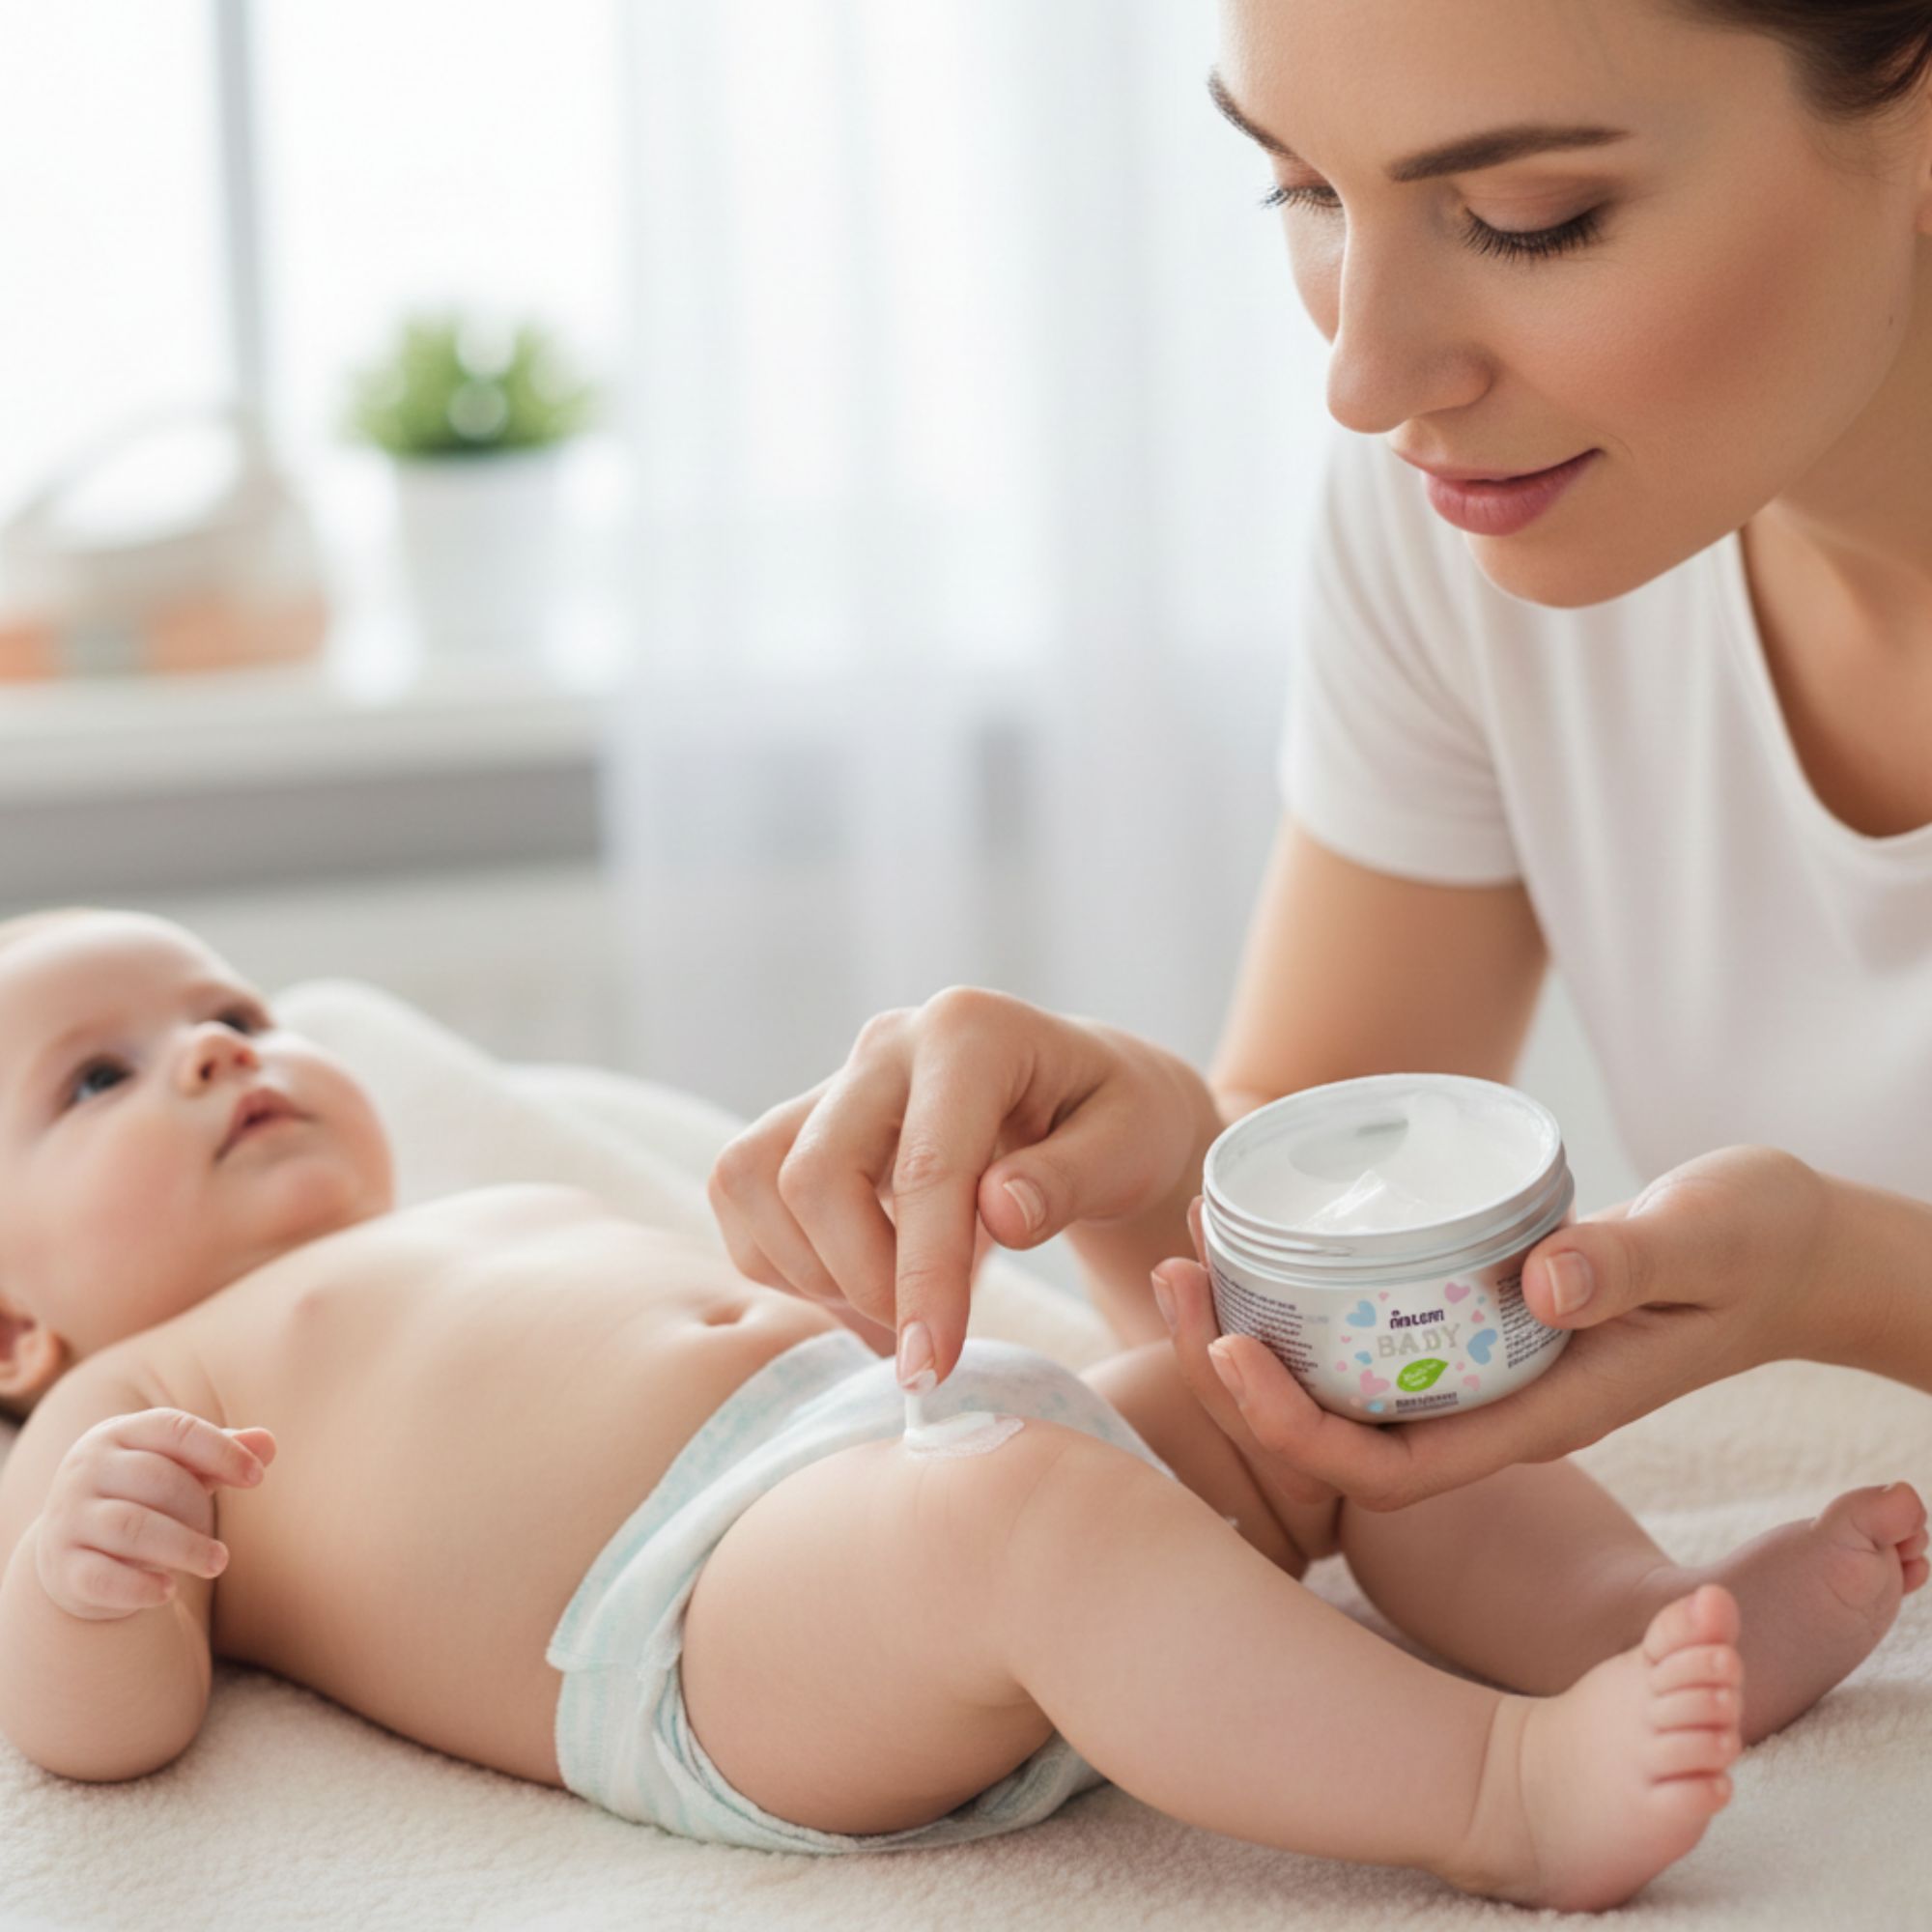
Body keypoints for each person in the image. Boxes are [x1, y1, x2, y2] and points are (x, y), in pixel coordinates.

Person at [0, 909, 1925, 1913]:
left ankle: (1622, 1627)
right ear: (8, 1325)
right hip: (703, 1622)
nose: (214, 1049)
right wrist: (92, 1581)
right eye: (95, 1080)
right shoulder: (112, 1398)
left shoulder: (461, 1209)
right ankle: (1504, 1798)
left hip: (906, 1443)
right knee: (1018, 1521)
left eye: (226, 1004)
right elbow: (96, 1729)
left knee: (1296, 1395)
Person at [706, 0, 1932, 1515]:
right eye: (1304, 191)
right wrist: (1131, 1142)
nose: (1363, 380)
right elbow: (1321, 1291)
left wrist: (1855, 1279)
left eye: (1525, 219)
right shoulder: (1473, 515)